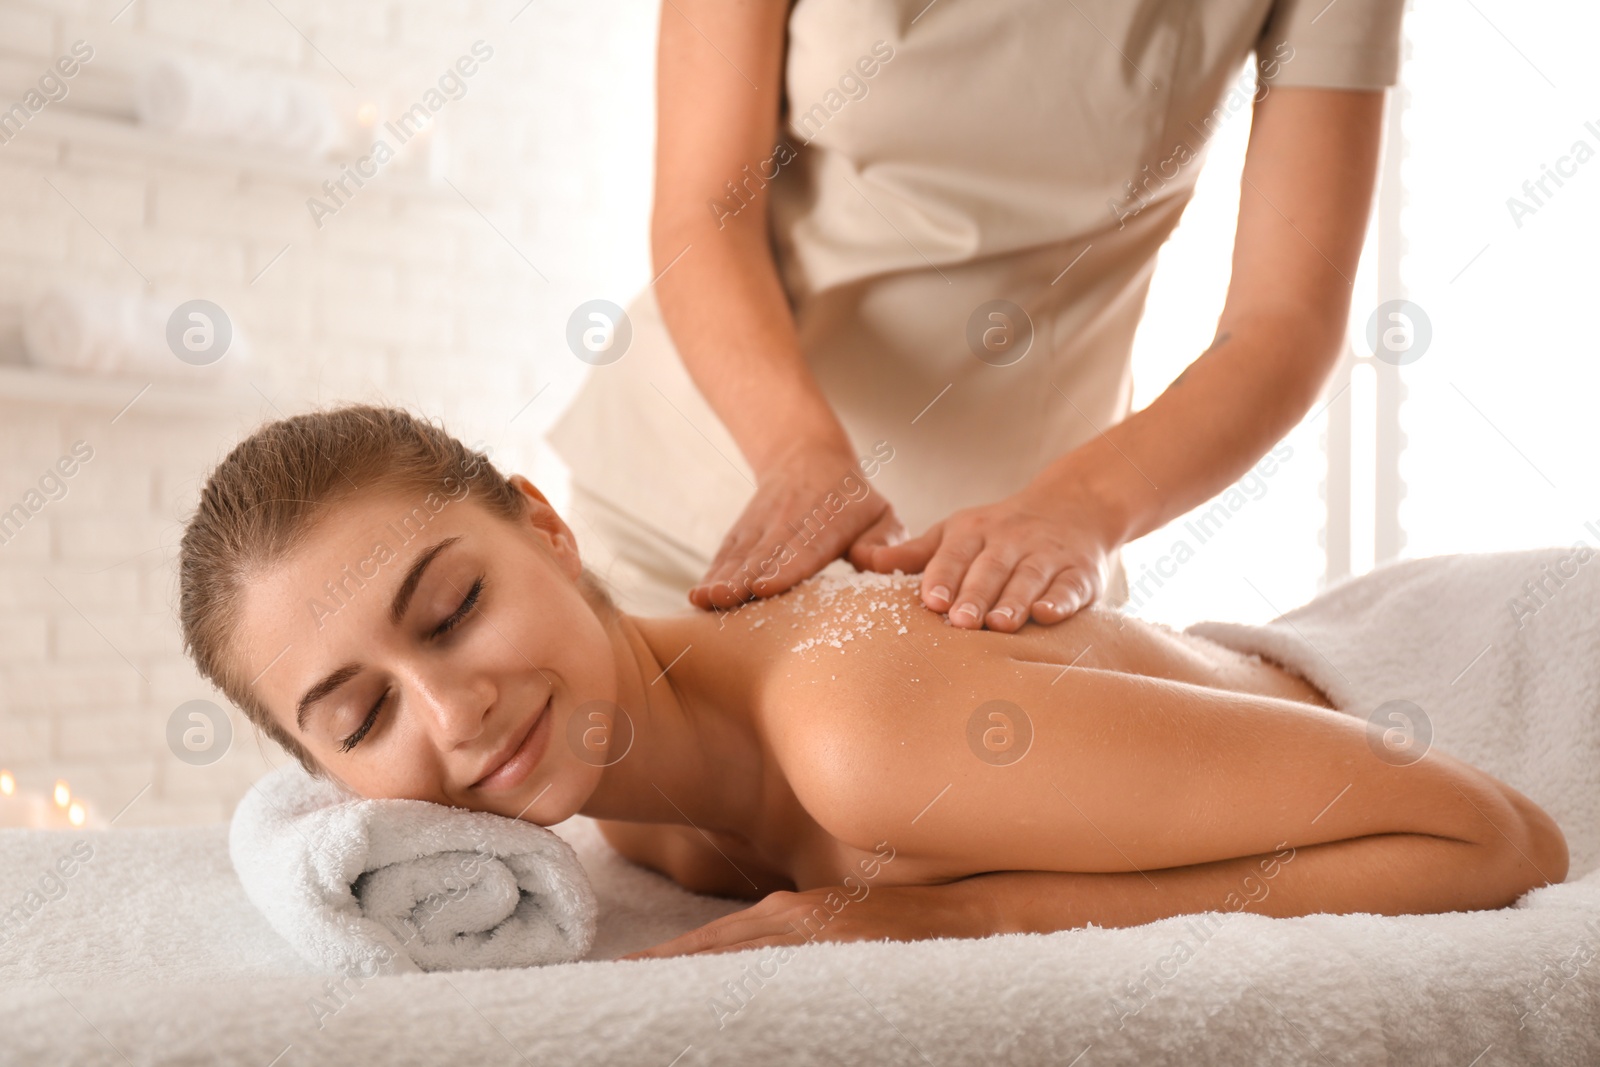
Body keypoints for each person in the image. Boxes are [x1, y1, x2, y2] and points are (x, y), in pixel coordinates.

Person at [178, 407, 1567, 958]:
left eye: (454, 606)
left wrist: (930, 918)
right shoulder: (636, 820)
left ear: (546, 524)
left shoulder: (860, 735)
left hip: (1492, 657)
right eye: (360, 717)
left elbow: (1494, 833)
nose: (452, 710)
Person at [546, 0, 1406, 633]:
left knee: (905, 830)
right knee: (701, 835)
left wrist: (1081, 508)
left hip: (996, 572)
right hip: (697, 494)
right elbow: (705, 213)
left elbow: (1283, 322)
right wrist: (799, 454)